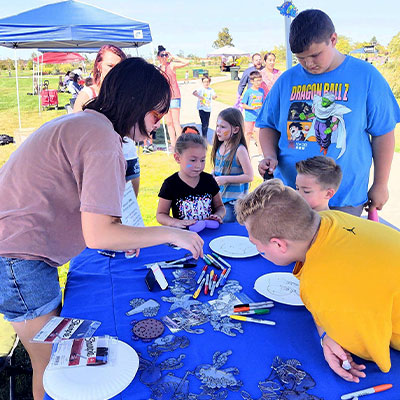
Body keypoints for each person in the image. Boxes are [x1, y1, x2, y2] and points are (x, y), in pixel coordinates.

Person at [0, 58, 204, 400]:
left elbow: (98, 224)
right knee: (55, 371)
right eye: (155, 115)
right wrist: (173, 233)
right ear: (136, 103)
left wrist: (122, 236)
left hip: (17, 253)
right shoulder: (103, 138)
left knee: (52, 365)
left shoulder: (84, 124)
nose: (156, 127)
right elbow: (101, 234)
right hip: (17, 258)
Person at [235, 179, 400, 382]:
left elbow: (369, 348)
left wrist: (329, 335)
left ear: (278, 244)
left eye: (256, 244)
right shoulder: (330, 217)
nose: (258, 251)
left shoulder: (320, 284)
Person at [256, 9, 400, 216]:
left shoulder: (366, 76)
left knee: (337, 248)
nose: (309, 64)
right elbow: (268, 125)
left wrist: (381, 184)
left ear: (333, 40)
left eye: (315, 55)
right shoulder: (287, 80)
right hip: (292, 195)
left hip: (344, 196)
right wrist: (269, 155)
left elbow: (383, 133)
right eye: (300, 58)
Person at [157, 133, 225, 228]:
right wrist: (176, 222)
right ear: (177, 158)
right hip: (184, 237)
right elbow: (161, 214)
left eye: (202, 160)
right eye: (193, 160)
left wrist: (218, 215)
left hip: (209, 233)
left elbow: (220, 207)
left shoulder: (209, 180)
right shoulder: (170, 184)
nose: (198, 165)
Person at [211, 108, 253, 223]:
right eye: (217, 126)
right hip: (219, 200)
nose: (218, 130)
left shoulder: (240, 150)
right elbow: (220, 169)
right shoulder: (220, 147)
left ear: (235, 129)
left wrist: (225, 179)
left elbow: (249, 176)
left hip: (233, 204)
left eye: (223, 127)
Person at [73, 44, 126, 113]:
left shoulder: (124, 93)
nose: (115, 70)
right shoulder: (87, 95)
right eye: (110, 66)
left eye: (119, 67)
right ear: (99, 66)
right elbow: (76, 122)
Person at [157, 45, 190, 150]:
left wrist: (174, 56)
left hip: (174, 96)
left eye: (165, 55)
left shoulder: (171, 65)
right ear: (158, 56)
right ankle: (173, 145)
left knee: (176, 121)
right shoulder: (158, 69)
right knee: (169, 122)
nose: (164, 57)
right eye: (162, 55)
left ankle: (180, 145)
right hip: (164, 98)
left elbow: (186, 62)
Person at [241, 70, 265, 150]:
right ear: (251, 81)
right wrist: (251, 108)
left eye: (260, 80)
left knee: (258, 135)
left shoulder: (262, 91)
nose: (259, 82)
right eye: (257, 81)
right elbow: (243, 104)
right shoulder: (248, 92)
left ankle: (260, 153)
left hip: (258, 118)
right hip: (249, 118)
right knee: (248, 134)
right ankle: (246, 151)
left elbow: (263, 103)